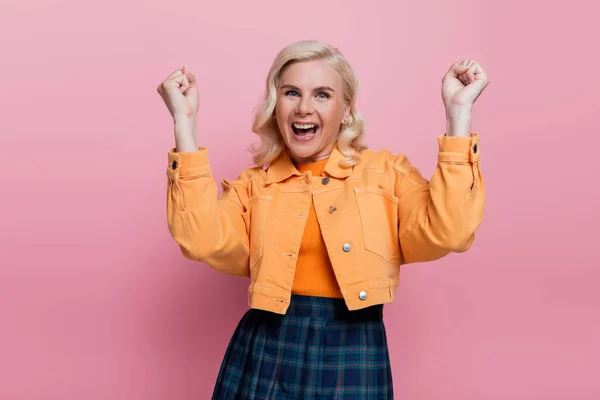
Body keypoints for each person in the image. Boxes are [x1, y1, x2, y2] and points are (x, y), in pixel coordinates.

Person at [157, 40, 489, 399]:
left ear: (346, 109)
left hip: (355, 349)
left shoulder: (386, 174)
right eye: (291, 93)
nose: (303, 108)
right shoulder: (254, 186)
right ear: (275, 105)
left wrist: (459, 116)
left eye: (322, 95)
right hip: (267, 348)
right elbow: (200, 240)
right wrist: (184, 124)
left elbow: (450, 232)